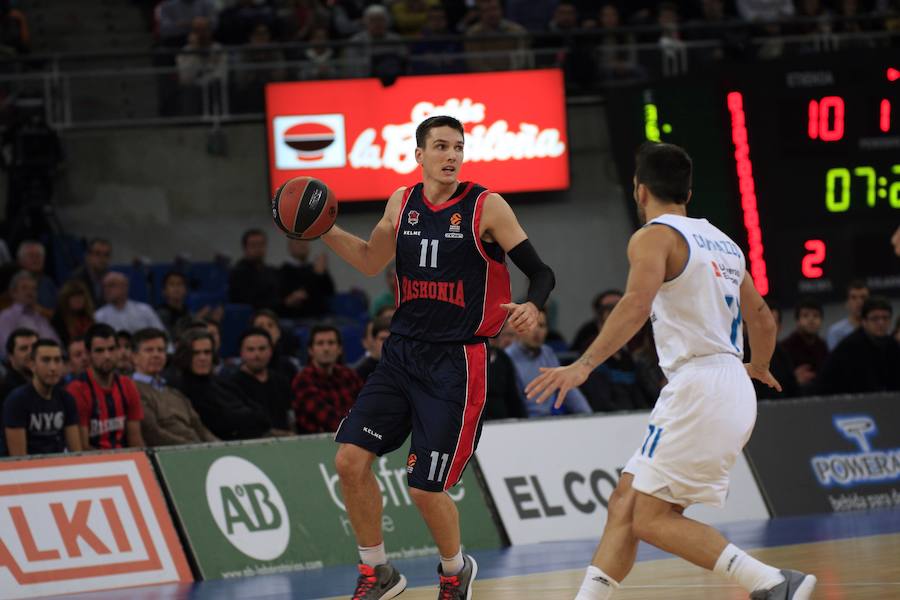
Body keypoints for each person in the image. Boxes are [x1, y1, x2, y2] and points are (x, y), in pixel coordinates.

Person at [526, 142, 815, 600]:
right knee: (625, 499)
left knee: (648, 517)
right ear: (689, 191)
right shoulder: (725, 243)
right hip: (730, 383)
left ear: (640, 191)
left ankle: (772, 582)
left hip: (698, 385)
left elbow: (636, 304)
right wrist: (757, 365)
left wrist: (582, 365)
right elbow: (762, 317)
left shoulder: (654, 236)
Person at [321, 115, 555, 599]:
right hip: (402, 353)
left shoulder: (486, 206)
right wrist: (323, 229)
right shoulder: (401, 201)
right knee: (348, 461)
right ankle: (377, 572)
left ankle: (454, 570)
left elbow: (540, 270)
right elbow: (369, 260)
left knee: (426, 487)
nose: (451, 156)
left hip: (457, 362)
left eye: (458, 148)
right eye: (441, 147)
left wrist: (535, 303)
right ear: (419, 155)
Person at [174, 329, 272, 440]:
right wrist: (245, 417)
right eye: (196, 353)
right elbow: (222, 424)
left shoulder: (223, 383)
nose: (203, 358)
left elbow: (263, 417)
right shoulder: (180, 391)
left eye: (207, 352)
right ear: (185, 355)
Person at [131, 327, 218, 447]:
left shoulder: (174, 392)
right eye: (149, 350)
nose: (156, 355)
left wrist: (222, 447)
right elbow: (152, 433)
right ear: (134, 357)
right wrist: (196, 447)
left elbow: (200, 429)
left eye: (161, 350)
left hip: (196, 450)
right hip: (172, 456)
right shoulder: (131, 389)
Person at [65, 323, 145, 450]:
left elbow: (135, 441)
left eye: (111, 349)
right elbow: (82, 449)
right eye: (99, 350)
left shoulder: (127, 385)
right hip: (93, 465)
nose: (107, 356)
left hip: (127, 461)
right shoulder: (77, 390)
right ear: (88, 354)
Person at [506, 309, 592, 416]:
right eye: (531, 325)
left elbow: (567, 389)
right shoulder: (506, 357)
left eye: (541, 326)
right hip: (520, 423)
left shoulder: (547, 353)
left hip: (547, 420)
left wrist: (587, 415)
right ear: (518, 328)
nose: (537, 331)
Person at [4, 340, 81, 456]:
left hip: (60, 467)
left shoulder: (67, 399)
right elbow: (18, 459)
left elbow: (77, 453)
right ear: (32, 365)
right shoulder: (17, 400)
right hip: (28, 470)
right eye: (46, 360)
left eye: (57, 360)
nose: (53, 367)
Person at [817, 297, 900, 395]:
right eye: (875, 318)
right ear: (864, 322)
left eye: (885, 318)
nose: (881, 323)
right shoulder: (850, 346)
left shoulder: (891, 344)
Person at [291, 325, 363, 434]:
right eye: (320, 343)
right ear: (311, 350)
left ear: (339, 349)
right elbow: (328, 420)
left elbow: (367, 408)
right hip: (315, 445)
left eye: (331, 343)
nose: (326, 348)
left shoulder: (349, 375)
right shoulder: (303, 381)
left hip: (353, 439)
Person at [231, 327, 294, 434]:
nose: (257, 355)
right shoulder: (232, 385)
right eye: (251, 349)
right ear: (241, 352)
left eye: (262, 349)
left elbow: (290, 417)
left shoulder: (281, 381)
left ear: (271, 351)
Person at [0, 271, 60, 358]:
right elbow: (6, 350)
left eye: (33, 289)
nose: (30, 292)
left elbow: (57, 344)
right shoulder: (6, 317)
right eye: (24, 288)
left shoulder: (40, 316)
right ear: (13, 292)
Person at [278, 238, 335, 319]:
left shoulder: (315, 268)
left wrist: (322, 273)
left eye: (305, 242)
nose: (303, 245)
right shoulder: (283, 271)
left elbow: (330, 291)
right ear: (290, 247)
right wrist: (316, 274)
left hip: (320, 315)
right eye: (298, 242)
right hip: (297, 317)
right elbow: (303, 293)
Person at [780, 298, 828, 394]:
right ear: (797, 321)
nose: (811, 320)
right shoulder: (785, 347)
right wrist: (793, 379)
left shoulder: (823, 346)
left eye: (816, 316)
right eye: (805, 316)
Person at [94, 271, 166, 334]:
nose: (107, 290)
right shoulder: (99, 316)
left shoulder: (144, 310)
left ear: (124, 287)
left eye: (111, 285)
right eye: (104, 286)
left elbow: (161, 333)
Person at [228, 228, 280, 311]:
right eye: (253, 245)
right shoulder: (238, 273)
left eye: (261, 245)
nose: (258, 249)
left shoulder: (271, 271)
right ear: (245, 248)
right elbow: (245, 301)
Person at [16, 240, 57, 315]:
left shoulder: (48, 282)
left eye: (38, 256)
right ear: (21, 261)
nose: (35, 259)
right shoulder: (15, 284)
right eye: (31, 256)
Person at [825, 280, 869, 350]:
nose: (859, 302)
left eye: (863, 297)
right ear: (847, 303)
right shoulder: (835, 332)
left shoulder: (877, 329)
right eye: (853, 298)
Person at [51, 280, 95, 347]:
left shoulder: (89, 317)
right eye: (74, 297)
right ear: (66, 299)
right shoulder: (59, 320)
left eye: (80, 296)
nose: (78, 300)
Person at [69, 237, 112, 307]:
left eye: (106, 255)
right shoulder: (77, 280)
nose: (102, 258)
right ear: (88, 257)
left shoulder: (112, 279)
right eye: (97, 254)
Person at [0, 327, 37, 403]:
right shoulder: (5, 390)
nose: (30, 353)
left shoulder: (50, 382)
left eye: (34, 347)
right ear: (11, 356)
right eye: (23, 348)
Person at [352, 316, 391, 381]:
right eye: (383, 339)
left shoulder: (408, 368)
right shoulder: (360, 372)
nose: (387, 343)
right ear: (374, 341)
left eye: (392, 339)